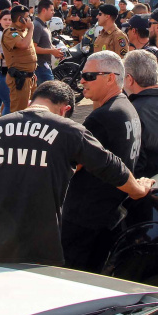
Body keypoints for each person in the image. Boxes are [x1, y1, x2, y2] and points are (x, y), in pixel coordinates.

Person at [0, 80, 153, 266]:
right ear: (65, 110)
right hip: (40, 252)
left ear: (29, 103)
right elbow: (111, 166)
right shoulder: (69, 131)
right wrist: (137, 190)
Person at [61, 51, 142, 272]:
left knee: (72, 277)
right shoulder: (126, 107)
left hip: (87, 218)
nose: (82, 80)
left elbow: (73, 164)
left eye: (89, 75)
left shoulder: (103, 116)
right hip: (109, 214)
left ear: (110, 77)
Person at [1, 5, 38, 112]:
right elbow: (23, 45)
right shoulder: (10, 32)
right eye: (27, 17)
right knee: (18, 111)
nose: (30, 20)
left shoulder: (24, 31)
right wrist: (31, 28)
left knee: (29, 110)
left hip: (29, 77)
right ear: (20, 19)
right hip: (19, 78)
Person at [32, 0, 64, 84]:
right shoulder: (37, 25)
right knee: (50, 94)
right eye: (51, 10)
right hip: (40, 67)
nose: (53, 12)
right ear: (44, 10)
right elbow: (33, 48)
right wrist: (51, 51)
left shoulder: (44, 25)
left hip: (45, 65)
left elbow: (46, 44)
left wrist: (56, 51)